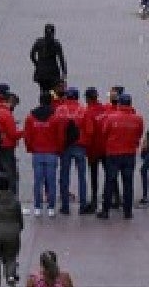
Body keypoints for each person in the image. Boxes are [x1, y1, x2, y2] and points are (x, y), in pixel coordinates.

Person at [97, 92, 143, 219]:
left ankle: (105, 211)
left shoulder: (111, 118)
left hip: (113, 154)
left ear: (119, 104)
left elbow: (104, 132)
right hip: (129, 153)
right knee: (128, 183)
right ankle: (127, 211)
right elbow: (139, 134)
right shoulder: (138, 119)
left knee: (110, 181)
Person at [24, 91, 63, 217]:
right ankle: (51, 208)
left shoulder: (31, 117)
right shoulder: (56, 117)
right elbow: (60, 136)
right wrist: (58, 149)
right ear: (51, 102)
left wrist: (30, 148)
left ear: (39, 101)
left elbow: (27, 136)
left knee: (38, 181)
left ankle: (37, 207)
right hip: (52, 153)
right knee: (51, 181)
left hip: (37, 153)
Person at [54, 87, 87, 216]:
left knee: (64, 176)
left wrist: (58, 146)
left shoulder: (60, 110)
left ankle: (65, 206)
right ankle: (82, 205)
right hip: (80, 145)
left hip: (65, 146)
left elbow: (56, 128)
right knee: (82, 177)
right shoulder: (83, 110)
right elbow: (90, 129)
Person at [81, 87, 106, 214]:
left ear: (88, 98)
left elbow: (89, 132)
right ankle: (113, 198)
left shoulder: (88, 112)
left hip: (93, 149)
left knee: (94, 176)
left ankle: (94, 201)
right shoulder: (104, 109)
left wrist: (85, 146)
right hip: (105, 147)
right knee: (109, 174)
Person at [30, 23, 68, 95]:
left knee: (43, 90)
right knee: (53, 91)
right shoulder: (56, 44)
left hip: (41, 72)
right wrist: (64, 72)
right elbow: (61, 59)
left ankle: (43, 100)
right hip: (53, 73)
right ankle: (51, 100)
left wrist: (38, 64)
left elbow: (32, 55)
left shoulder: (39, 42)